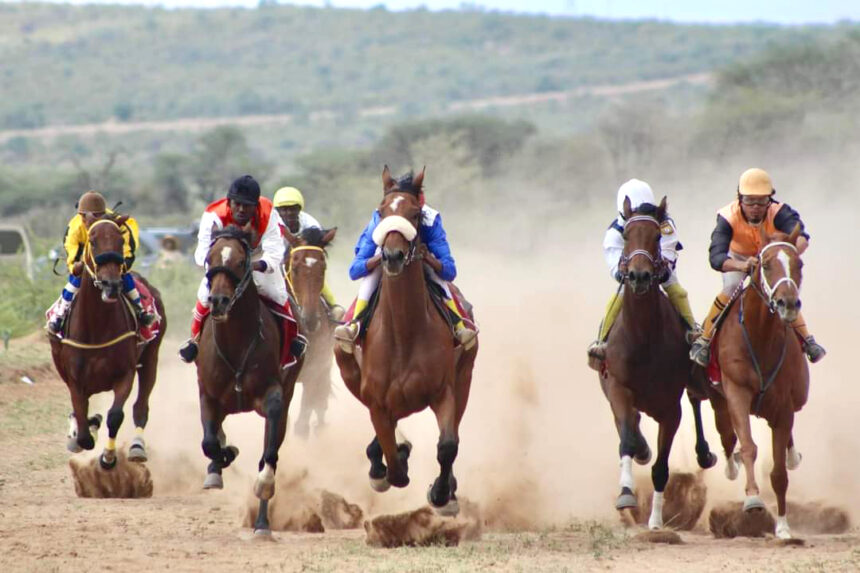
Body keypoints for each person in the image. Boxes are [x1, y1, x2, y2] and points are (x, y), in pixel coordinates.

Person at [689, 167, 826, 366]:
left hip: (770, 257)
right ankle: (705, 339)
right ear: (739, 199)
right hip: (739, 258)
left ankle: (808, 340)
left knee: (785, 289)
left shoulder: (779, 211)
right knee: (730, 287)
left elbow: (801, 235)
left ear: (769, 199)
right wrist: (742, 265)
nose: (755, 207)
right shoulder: (727, 216)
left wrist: (793, 248)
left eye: (761, 201)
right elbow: (716, 257)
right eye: (749, 201)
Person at [332, 169, 477, 352]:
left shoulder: (430, 220)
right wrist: (379, 258)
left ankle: (460, 327)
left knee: (439, 280)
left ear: (418, 207)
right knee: (369, 279)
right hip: (386, 258)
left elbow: (450, 271)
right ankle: (352, 326)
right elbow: (354, 271)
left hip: (419, 260)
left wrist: (429, 258)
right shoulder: (378, 218)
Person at [178, 175, 292, 363]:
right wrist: (221, 267)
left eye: (247, 205)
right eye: (237, 203)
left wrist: (253, 266)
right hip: (222, 261)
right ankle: (195, 341)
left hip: (257, 257)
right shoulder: (213, 215)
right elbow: (201, 254)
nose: (241, 209)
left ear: (256, 205)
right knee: (205, 295)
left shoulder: (268, 213)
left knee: (278, 294)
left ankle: (290, 345)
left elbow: (274, 253)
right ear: (229, 201)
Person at [587, 179, 698, 360]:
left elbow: (669, 248)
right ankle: (601, 341)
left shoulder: (664, 223)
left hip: (659, 265)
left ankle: (693, 331)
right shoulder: (615, 231)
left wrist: (664, 267)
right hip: (631, 270)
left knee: (677, 292)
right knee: (618, 297)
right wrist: (620, 271)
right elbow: (613, 258)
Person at [46, 191, 154, 334]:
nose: (88, 221)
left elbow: (128, 249)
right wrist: (74, 265)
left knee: (124, 276)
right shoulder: (75, 226)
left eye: (96, 216)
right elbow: (71, 247)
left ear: (103, 213)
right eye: (85, 217)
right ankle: (59, 314)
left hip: (115, 257)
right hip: (88, 259)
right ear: (81, 215)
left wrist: (122, 266)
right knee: (76, 278)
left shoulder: (119, 223)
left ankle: (140, 309)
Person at [272, 185, 344, 320]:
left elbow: (317, 248)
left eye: (292, 209)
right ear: (278, 211)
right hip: (276, 263)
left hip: (302, 263)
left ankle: (333, 307)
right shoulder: (272, 225)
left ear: (299, 209)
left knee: (311, 272)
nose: (288, 213)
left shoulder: (311, 223)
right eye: (284, 210)